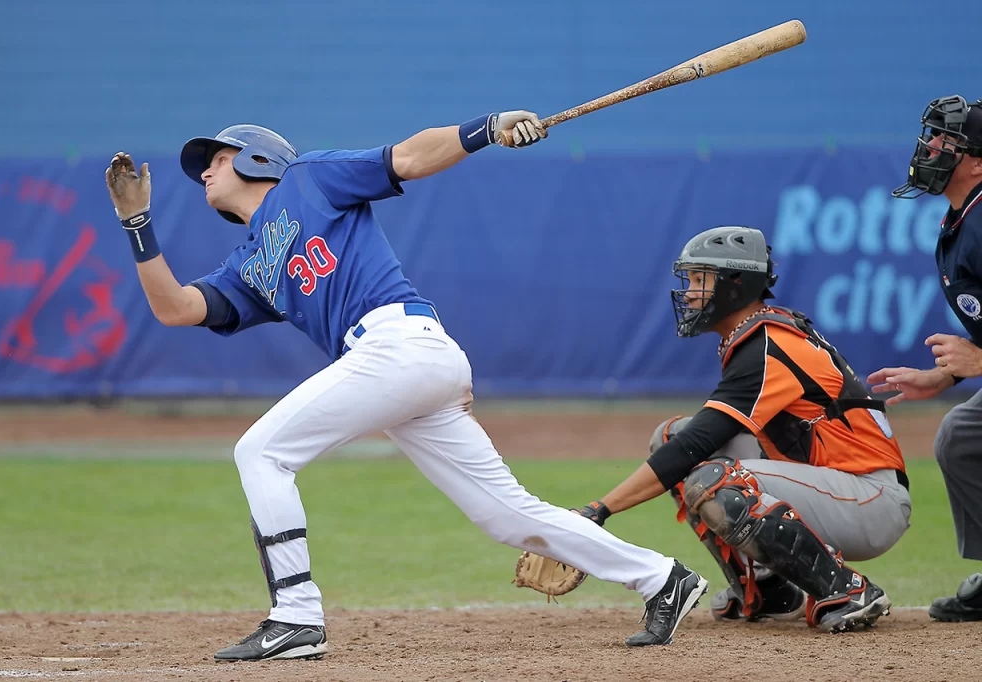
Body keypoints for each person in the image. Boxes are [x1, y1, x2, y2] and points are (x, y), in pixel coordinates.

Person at [104, 113, 708, 661]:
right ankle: (663, 578)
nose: (205, 170)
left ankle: (296, 615)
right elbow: (176, 308)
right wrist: (137, 222)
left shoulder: (308, 179)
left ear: (257, 158)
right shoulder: (249, 263)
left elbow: (410, 158)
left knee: (261, 452)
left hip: (399, 345)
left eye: (216, 156)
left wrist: (489, 127)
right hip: (403, 367)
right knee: (504, 515)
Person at [570, 226, 910, 633]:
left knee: (713, 478)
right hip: (833, 485)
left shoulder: (768, 344)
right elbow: (688, 442)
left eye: (700, 279)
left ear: (736, 283)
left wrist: (599, 509)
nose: (689, 293)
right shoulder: (759, 334)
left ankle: (847, 589)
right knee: (670, 437)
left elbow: (697, 444)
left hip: (870, 499)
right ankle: (768, 589)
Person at [871, 94, 982, 622]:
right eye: (932, 134)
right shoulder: (964, 218)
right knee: (961, 436)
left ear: (977, 162)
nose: (931, 146)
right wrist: (943, 376)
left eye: (947, 140)